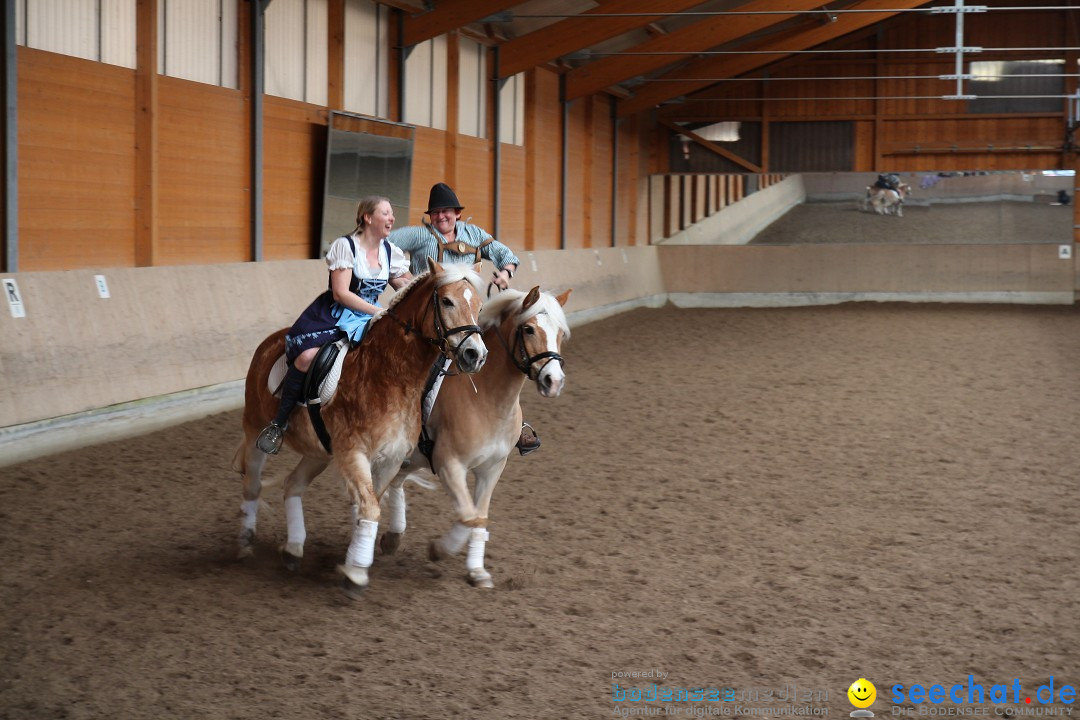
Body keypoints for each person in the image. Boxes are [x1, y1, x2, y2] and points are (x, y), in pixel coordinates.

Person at [388, 182, 541, 455]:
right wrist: (402, 279)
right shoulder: (419, 235)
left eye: (446, 211)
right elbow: (382, 245)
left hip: (465, 315)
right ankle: (405, 424)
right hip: (429, 321)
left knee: (502, 361)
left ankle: (514, 425)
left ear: (457, 213)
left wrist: (505, 273)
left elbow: (507, 256)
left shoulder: (475, 234)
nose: (441, 216)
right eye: (435, 212)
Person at [255, 196, 413, 455]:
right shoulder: (346, 247)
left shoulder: (390, 251)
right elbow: (341, 293)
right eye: (386, 213)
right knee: (307, 357)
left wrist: (422, 288)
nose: (392, 218)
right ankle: (279, 423)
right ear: (368, 218)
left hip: (374, 315)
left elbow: (402, 285)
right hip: (337, 314)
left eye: (392, 213)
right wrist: (381, 312)